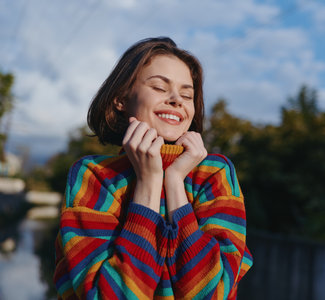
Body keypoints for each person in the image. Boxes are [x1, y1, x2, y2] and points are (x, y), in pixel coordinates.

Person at [53, 37, 253, 299]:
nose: (176, 100)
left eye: (187, 94)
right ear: (121, 99)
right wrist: (148, 184)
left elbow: (210, 293)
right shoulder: (95, 176)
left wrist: (174, 182)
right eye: (159, 87)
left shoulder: (215, 174)